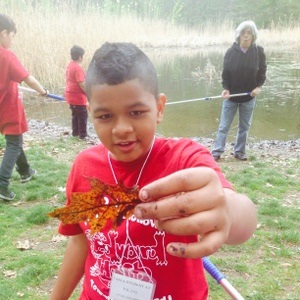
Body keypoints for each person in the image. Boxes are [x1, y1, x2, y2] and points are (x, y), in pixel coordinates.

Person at [49, 42, 257, 300]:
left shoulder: (184, 159)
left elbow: (240, 217)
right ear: (90, 112)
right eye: (105, 116)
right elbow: (80, 241)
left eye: (136, 112)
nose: (121, 128)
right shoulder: (83, 166)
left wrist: (228, 211)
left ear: (159, 109)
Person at [0, 14, 48, 201]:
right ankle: (2, 184)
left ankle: (25, 171)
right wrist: (43, 91)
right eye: (12, 36)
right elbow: (27, 78)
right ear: (4, 33)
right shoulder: (6, 55)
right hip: (8, 107)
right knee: (14, 143)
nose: (12, 40)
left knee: (15, 140)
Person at [212, 20, 267, 161]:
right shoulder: (231, 52)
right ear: (238, 35)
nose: (246, 36)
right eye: (243, 33)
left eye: (249, 33)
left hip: (249, 97)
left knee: (244, 127)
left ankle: (239, 152)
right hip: (231, 97)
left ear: (253, 36)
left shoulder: (259, 52)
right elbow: (225, 74)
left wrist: (258, 87)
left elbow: (262, 72)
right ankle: (217, 152)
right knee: (224, 126)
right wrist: (226, 89)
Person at [65, 45, 88, 140]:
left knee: (75, 115)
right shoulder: (78, 68)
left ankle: (75, 133)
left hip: (70, 95)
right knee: (82, 115)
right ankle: (82, 135)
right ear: (80, 57)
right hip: (77, 97)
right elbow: (81, 83)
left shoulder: (70, 65)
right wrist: (89, 93)